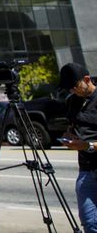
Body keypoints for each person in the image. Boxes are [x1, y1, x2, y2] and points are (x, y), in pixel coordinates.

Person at [58, 63, 97, 232]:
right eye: (69, 89)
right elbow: (72, 126)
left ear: (87, 80)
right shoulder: (73, 101)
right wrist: (68, 136)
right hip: (86, 169)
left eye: (75, 87)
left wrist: (88, 145)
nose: (73, 91)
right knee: (89, 221)